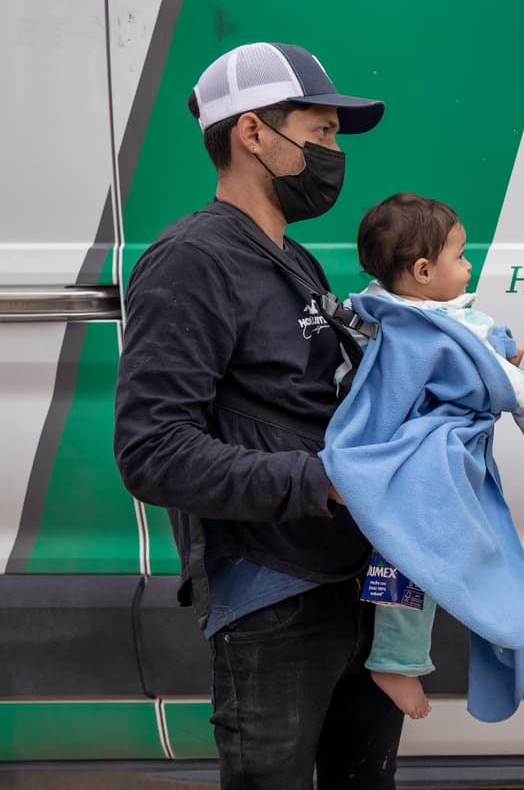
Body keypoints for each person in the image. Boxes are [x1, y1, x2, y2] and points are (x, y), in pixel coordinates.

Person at [113, 42, 402, 788]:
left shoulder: (291, 258)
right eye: (321, 132)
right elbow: (153, 450)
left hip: (350, 576)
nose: (334, 153)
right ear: (251, 133)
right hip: (274, 591)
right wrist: (323, 481)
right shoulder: (190, 262)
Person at [321, 193, 524, 724]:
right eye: (460, 256)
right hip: (432, 465)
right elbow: (518, 393)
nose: (470, 265)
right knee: (438, 557)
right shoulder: (453, 331)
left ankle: (400, 660)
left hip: (387, 462)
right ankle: (398, 662)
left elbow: (355, 380)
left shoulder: (374, 313)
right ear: (425, 271)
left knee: (403, 556)